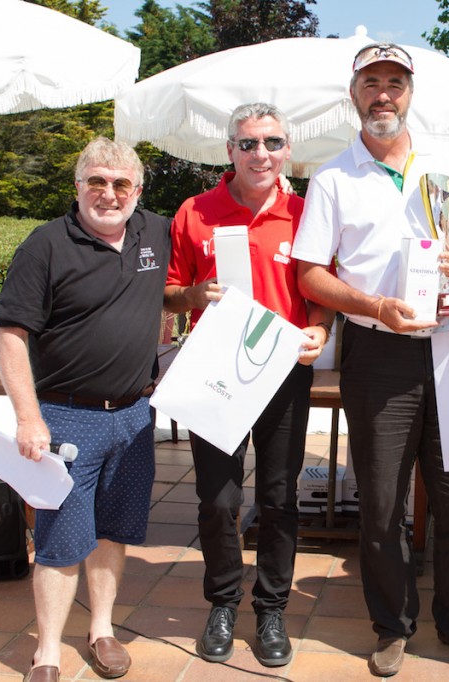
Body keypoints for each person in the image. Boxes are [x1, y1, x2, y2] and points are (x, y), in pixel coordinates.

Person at [291, 42, 449, 677]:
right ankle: (392, 625)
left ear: (410, 93)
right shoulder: (333, 176)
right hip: (379, 350)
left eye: (395, 82)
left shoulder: (447, 159)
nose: (383, 94)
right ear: (354, 93)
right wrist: (372, 304)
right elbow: (310, 274)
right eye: (371, 83)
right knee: (384, 503)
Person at [0, 138, 170, 682]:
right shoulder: (45, 245)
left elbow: (187, 281)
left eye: (120, 183)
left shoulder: (156, 232)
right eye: (96, 181)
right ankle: (46, 651)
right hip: (66, 415)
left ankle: (101, 630)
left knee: (113, 531)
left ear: (137, 191)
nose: (108, 193)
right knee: (59, 536)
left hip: (136, 417)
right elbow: (9, 334)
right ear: (78, 186)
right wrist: (27, 417)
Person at [163, 102, 331, 668]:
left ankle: (273, 605)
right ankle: (223, 602)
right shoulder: (195, 212)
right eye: (249, 143)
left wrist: (320, 327)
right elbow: (166, 291)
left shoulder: (307, 213)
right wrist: (191, 296)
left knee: (281, 499)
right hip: (215, 374)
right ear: (229, 151)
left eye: (272, 143)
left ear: (288, 151)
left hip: (283, 373)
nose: (261, 153)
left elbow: (321, 290)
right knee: (218, 499)